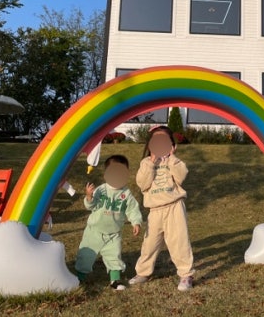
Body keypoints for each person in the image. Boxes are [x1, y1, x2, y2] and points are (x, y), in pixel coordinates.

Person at [129, 125, 195, 291]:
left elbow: (181, 176)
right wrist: (152, 161)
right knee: (149, 244)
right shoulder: (146, 163)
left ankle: (186, 275)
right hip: (155, 210)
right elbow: (143, 184)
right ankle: (143, 272)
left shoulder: (174, 161)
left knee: (179, 242)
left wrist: (172, 158)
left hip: (174, 207)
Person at [74, 154, 143, 290]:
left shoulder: (126, 193)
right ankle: (79, 279)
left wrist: (136, 222)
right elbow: (90, 206)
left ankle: (115, 280)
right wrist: (89, 196)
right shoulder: (101, 190)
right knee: (86, 255)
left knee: (114, 256)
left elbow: (132, 209)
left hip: (113, 233)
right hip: (94, 231)